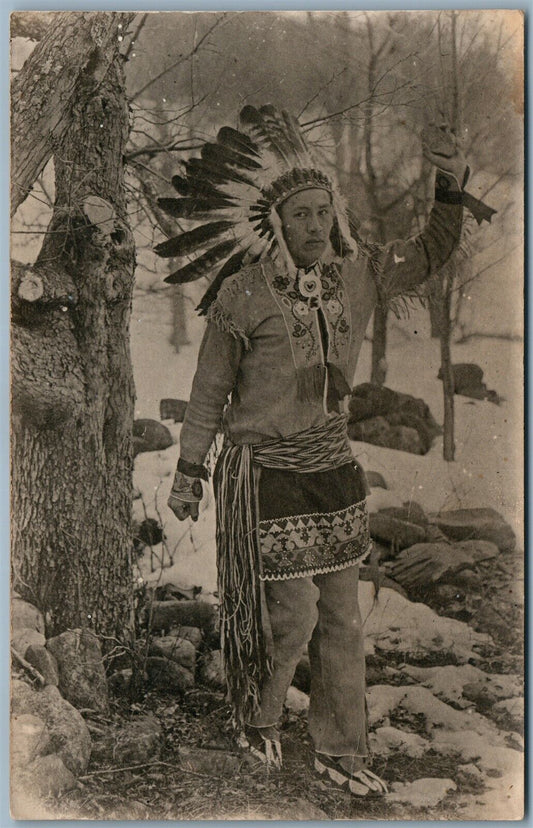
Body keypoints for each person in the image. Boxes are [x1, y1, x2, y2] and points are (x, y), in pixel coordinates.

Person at [163, 106, 472, 796]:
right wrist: (188, 469)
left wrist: (447, 182)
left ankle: (339, 745)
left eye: (319, 213)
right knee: (291, 614)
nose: (310, 226)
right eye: (297, 214)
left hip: (332, 474)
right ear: (275, 223)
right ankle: (259, 716)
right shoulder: (242, 296)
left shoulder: (355, 278)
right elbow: (208, 393)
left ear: (332, 219)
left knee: (341, 614)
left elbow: (427, 251)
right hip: (266, 475)